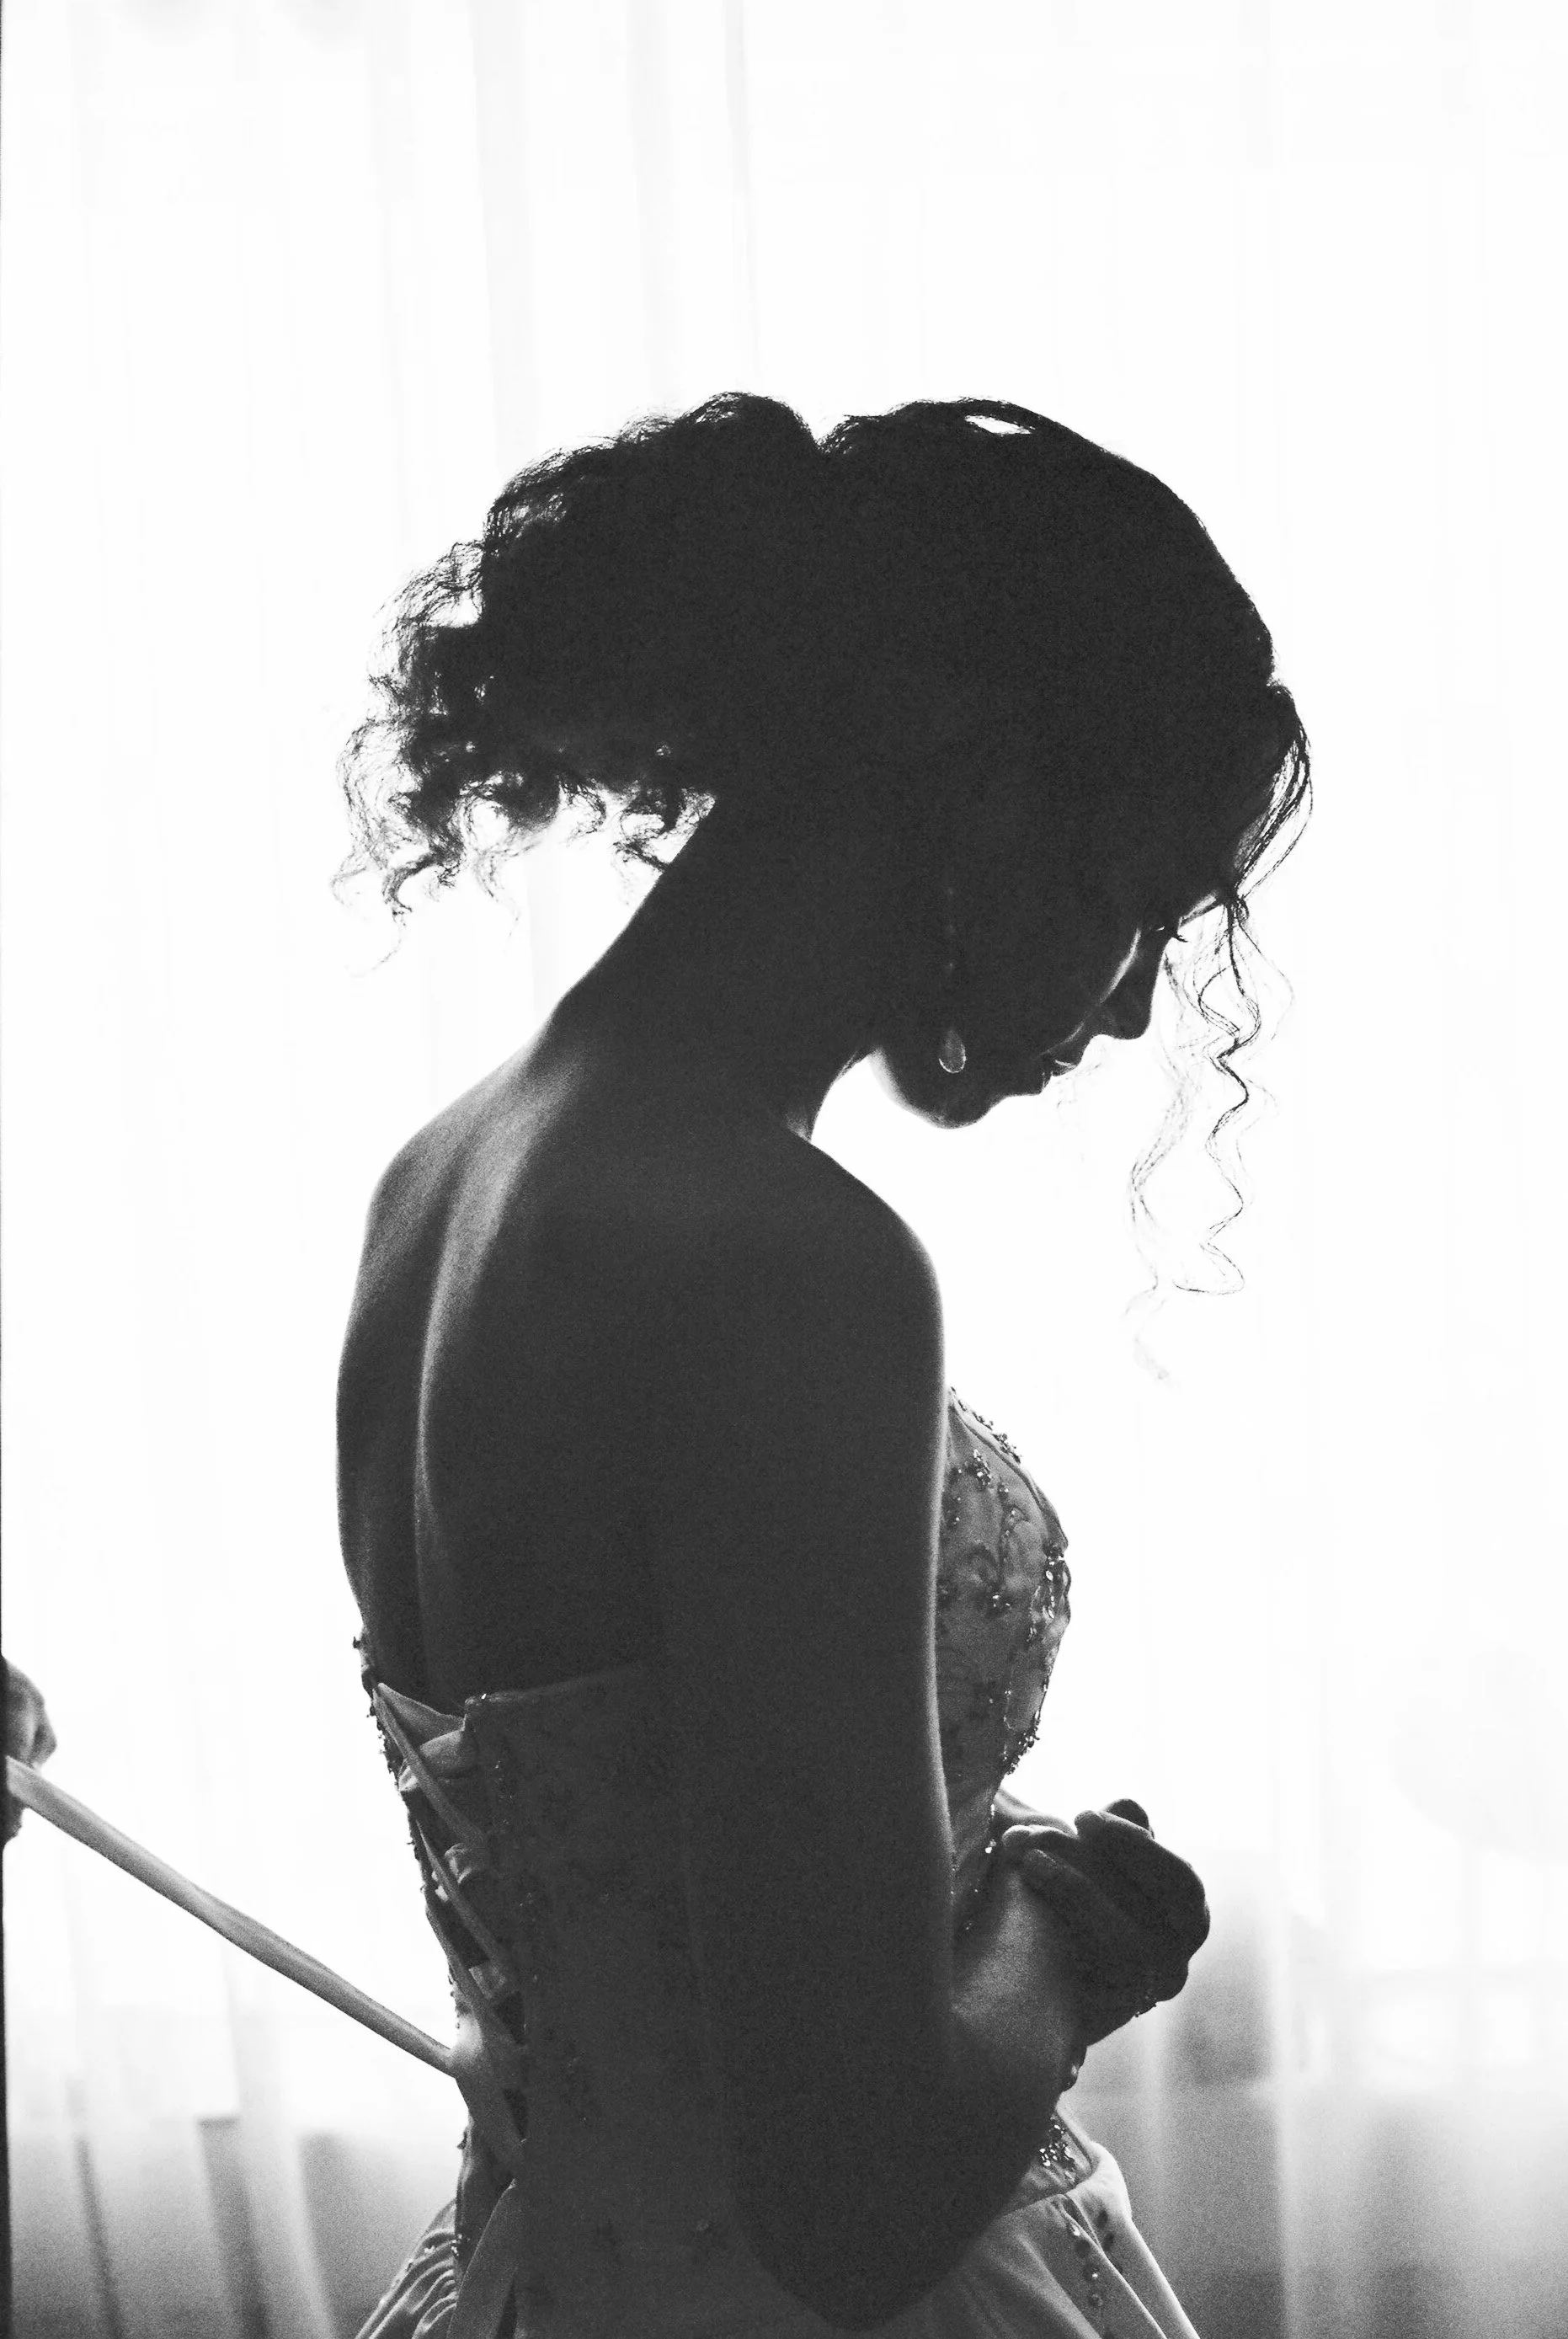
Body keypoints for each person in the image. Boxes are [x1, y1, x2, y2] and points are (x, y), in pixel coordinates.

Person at [336, 393, 1310, 2338]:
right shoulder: (781, 1265)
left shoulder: (447, 1173)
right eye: (1138, 893)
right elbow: (851, 2200)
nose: (1129, 1003)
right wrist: (1056, 1928)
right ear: (979, 780)